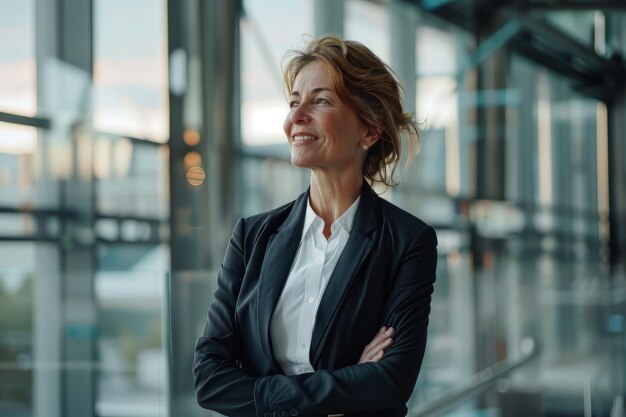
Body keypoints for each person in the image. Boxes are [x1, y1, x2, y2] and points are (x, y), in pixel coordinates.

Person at [193, 35, 437, 417]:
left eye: (320, 100)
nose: (296, 117)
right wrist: (348, 381)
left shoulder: (407, 241)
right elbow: (209, 378)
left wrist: (260, 391)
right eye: (293, 102)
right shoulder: (251, 238)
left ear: (369, 131)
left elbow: (390, 381)